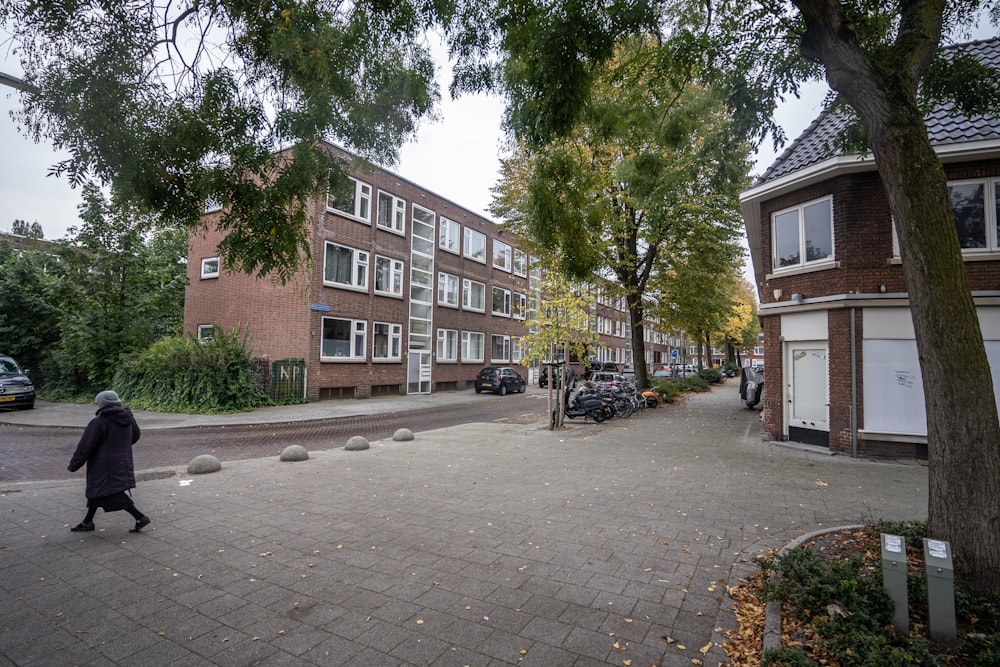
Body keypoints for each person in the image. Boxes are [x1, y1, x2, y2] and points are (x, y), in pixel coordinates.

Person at [67, 390, 151, 533]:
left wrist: (74, 465)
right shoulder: (128, 418)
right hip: (122, 462)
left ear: (102, 405)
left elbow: (85, 446)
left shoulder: (99, 422)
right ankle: (88, 521)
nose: (97, 407)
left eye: (97, 404)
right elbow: (135, 436)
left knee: (112, 493)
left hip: (103, 465)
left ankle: (140, 517)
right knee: (98, 491)